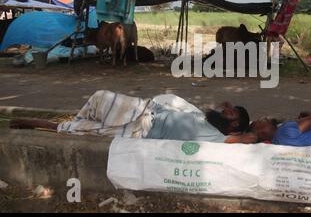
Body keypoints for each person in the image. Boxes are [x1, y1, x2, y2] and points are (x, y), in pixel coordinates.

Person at [9, 90, 255, 144]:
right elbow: (222, 110)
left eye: (230, 114)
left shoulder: (217, 137)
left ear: (234, 128)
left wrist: (247, 132)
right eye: (228, 110)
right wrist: (228, 110)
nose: (225, 110)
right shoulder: (207, 118)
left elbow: (247, 138)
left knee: (83, 130)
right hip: (145, 110)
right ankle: (75, 120)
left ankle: (39, 124)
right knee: (100, 97)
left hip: (142, 132)